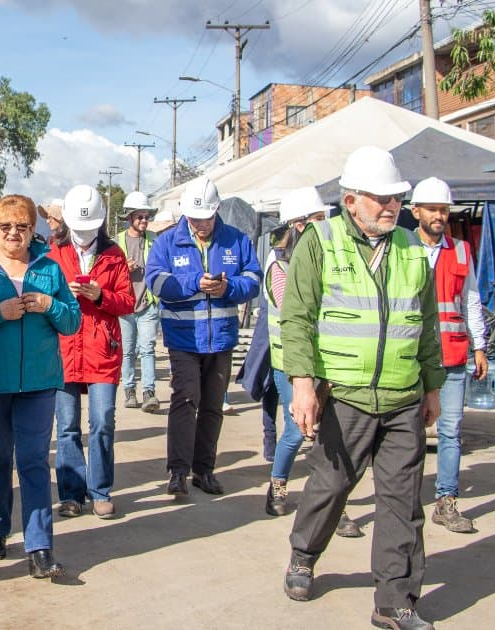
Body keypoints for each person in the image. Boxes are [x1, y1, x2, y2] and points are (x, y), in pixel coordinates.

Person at [280, 146, 443, 630]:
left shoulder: (413, 247)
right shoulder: (320, 240)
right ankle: (303, 555)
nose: (390, 206)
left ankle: (394, 601)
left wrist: (432, 387)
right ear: (351, 200)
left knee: (402, 501)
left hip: (402, 397)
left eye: (396, 197)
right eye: (379, 198)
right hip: (344, 396)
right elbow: (298, 318)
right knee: (330, 487)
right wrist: (303, 386)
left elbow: (427, 324)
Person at [0, 194, 81, 577]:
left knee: (33, 462)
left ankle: (40, 546)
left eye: (22, 226)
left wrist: (51, 305)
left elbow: (72, 323)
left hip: (38, 381)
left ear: (35, 229)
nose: (14, 233)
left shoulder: (49, 269)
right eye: (5, 227)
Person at [145, 177, 260, 497]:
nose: (201, 225)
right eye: (195, 219)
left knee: (212, 406)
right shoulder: (166, 243)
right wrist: (196, 282)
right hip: (183, 340)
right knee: (184, 401)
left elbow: (253, 279)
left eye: (207, 218)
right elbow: (156, 282)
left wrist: (229, 288)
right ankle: (178, 472)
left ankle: (203, 470)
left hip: (221, 339)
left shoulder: (236, 240)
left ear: (217, 210)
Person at [263, 188, 361, 536]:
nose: (327, 227)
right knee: (296, 431)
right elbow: (299, 310)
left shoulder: (332, 257)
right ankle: (277, 483)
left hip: (330, 363)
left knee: (332, 436)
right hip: (291, 364)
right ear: (300, 226)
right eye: (320, 221)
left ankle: (337, 506)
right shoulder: (279, 266)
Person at [48, 184, 134, 519]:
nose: (83, 236)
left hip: (102, 350)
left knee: (102, 421)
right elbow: (41, 297)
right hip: (64, 349)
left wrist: (100, 295)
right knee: (67, 425)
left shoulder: (114, 255)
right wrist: (62, 298)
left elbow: (128, 302)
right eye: (78, 229)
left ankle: (100, 489)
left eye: (90, 229)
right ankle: (71, 493)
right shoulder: (54, 254)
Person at [410, 176, 486, 534]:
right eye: (432, 209)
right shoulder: (402, 249)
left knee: (451, 430)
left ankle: (446, 500)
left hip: (452, 355)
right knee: (408, 433)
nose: (439, 215)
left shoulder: (460, 251)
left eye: (443, 209)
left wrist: (480, 345)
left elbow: (470, 298)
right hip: (409, 357)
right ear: (416, 212)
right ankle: (405, 499)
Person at [116, 191, 161, 413]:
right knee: (127, 351)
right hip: (125, 305)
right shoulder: (117, 241)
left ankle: (149, 392)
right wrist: (125, 269)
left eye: (147, 217)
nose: (144, 221)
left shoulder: (155, 240)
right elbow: (109, 274)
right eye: (140, 216)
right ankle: (130, 390)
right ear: (130, 217)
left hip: (147, 303)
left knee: (148, 348)